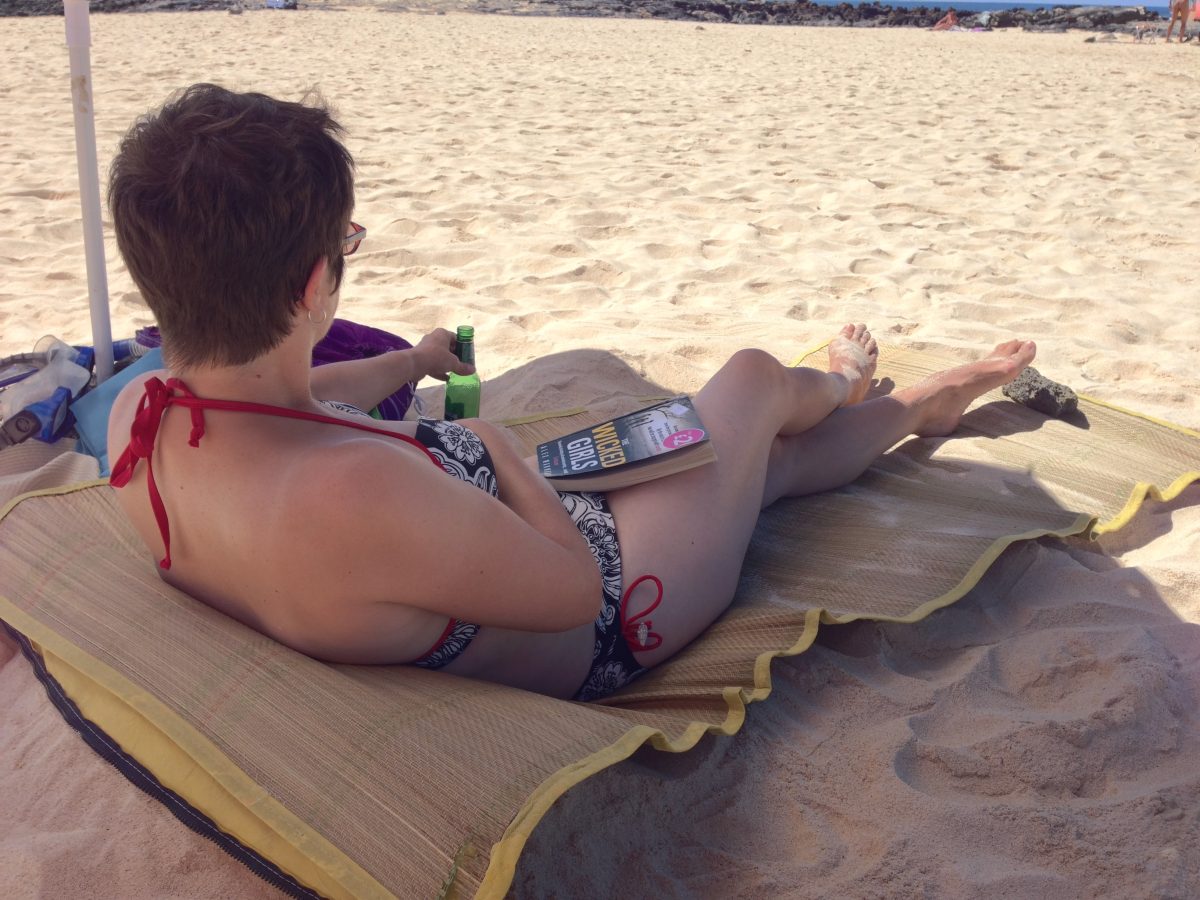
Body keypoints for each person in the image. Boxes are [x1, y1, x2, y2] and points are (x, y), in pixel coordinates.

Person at [106, 85, 1037, 702]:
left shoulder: (142, 420)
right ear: (314, 286)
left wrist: (409, 363)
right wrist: (501, 454)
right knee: (752, 381)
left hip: (480, 538)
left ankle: (900, 410)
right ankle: (859, 388)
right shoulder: (353, 492)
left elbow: (296, 392)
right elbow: (575, 592)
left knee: (763, 466)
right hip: (619, 605)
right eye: (346, 244)